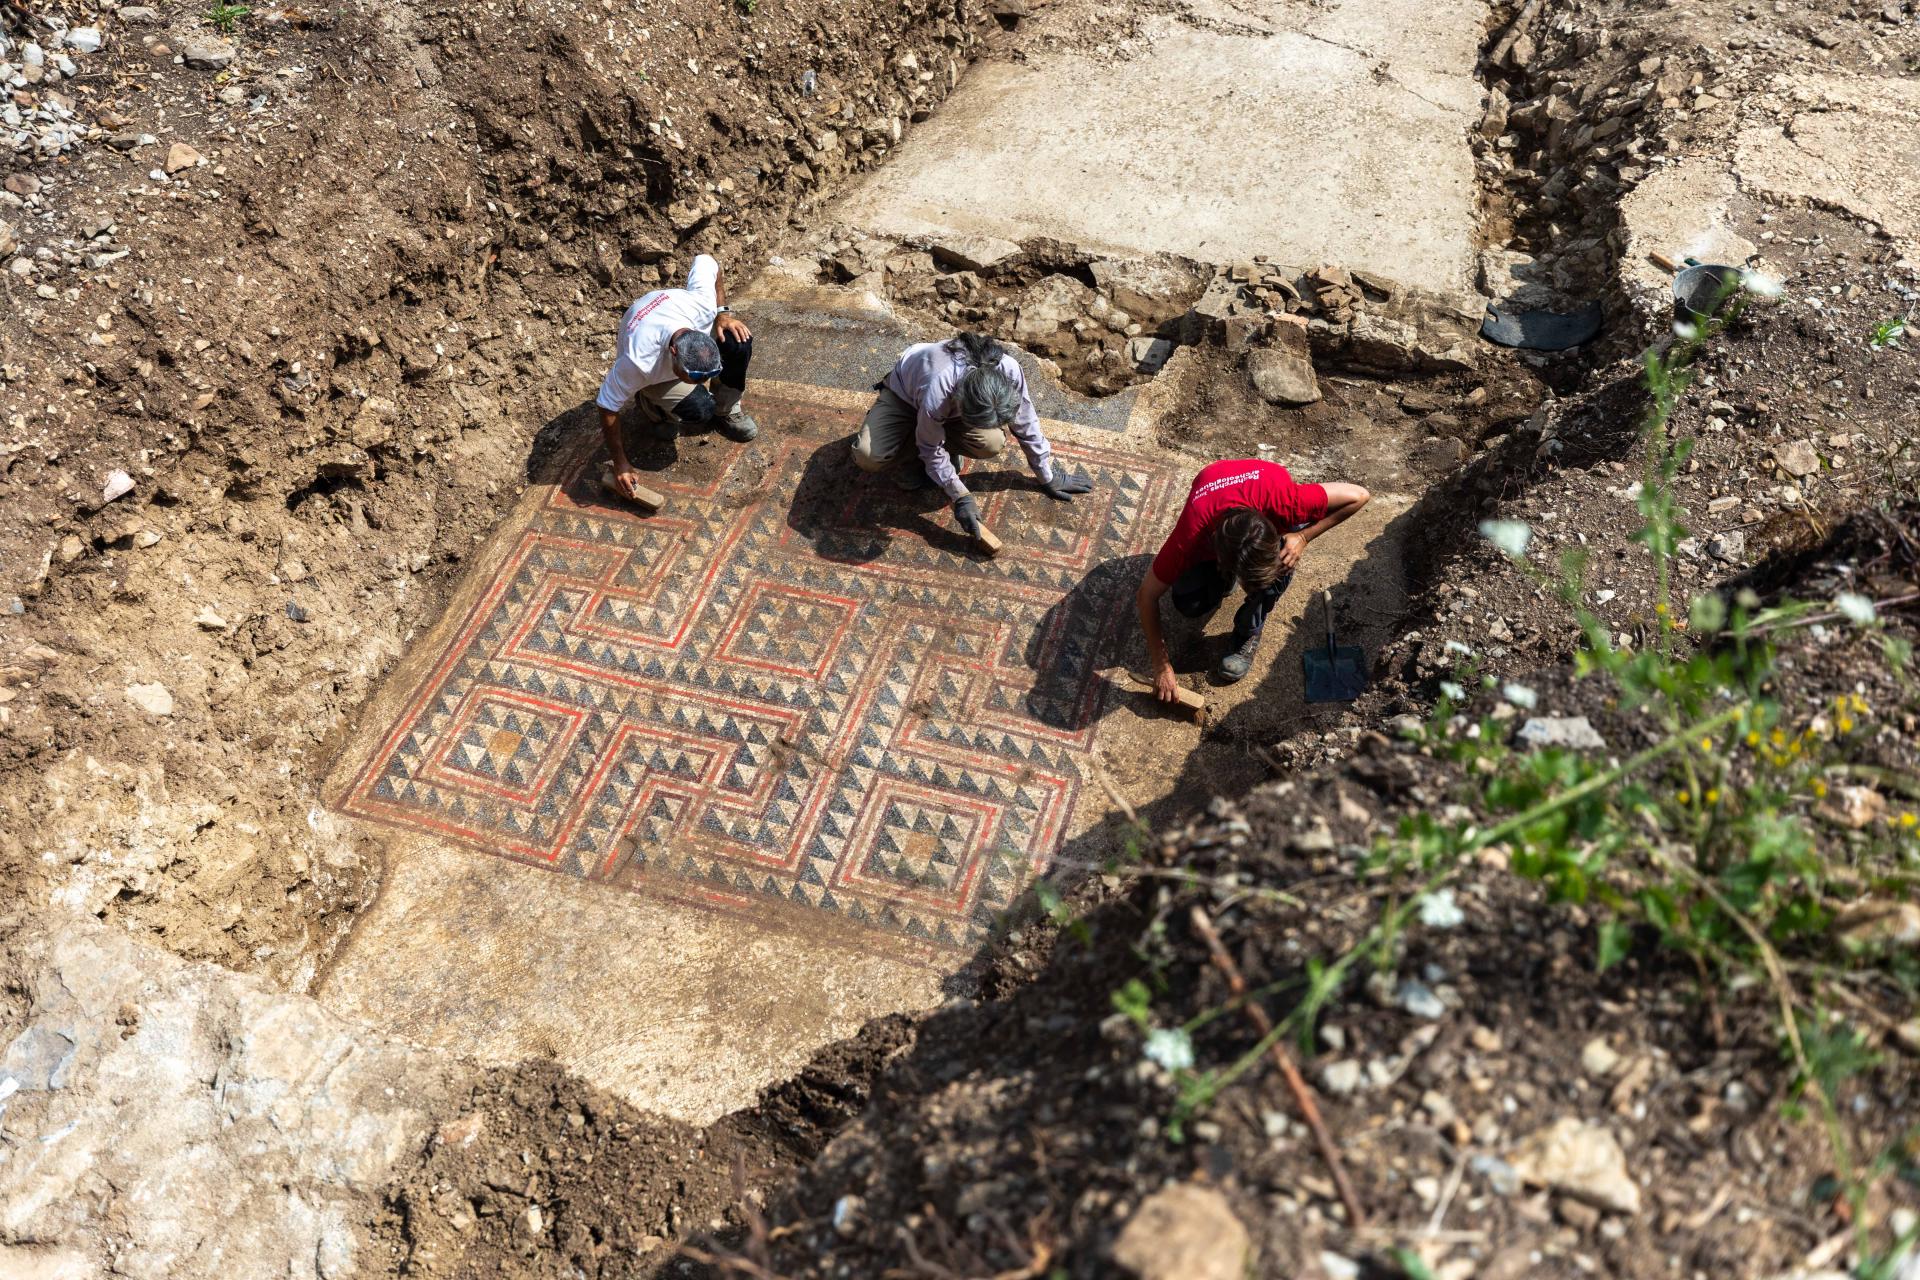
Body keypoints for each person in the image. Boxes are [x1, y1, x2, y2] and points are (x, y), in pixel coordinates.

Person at [1137, 458, 1370, 692]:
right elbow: (1147, 595)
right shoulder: (1189, 538)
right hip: (1213, 490)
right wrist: (1161, 666)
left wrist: (1303, 537)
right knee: (1190, 602)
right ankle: (1223, 581)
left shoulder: (1286, 503)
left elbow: (1359, 495)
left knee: (1281, 566)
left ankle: (1249, 630)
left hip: (1264, 488)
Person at [852, 333, 1092, 536]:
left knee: (991, 443)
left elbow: (1026, 420)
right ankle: (907, 446)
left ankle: (938, 445)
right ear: (961, 402)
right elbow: (929, 446)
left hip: (948, 409)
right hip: (906, 396)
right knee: (868, 455)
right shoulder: (938, 387)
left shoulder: (1008, 370)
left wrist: (1046, 474)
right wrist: (959, 495)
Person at [595, 253, 757, 503]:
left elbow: (707, 260)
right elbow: (607, 405)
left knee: (738, 342)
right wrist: (620, 463)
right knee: (700, 408)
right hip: (652, 364)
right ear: (673, 354)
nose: (700, 381)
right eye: (692, 377)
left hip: (676, 317)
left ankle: (727, 410)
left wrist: (723, 314)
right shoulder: (639, 362)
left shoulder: (701, 308)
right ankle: (652, 406)